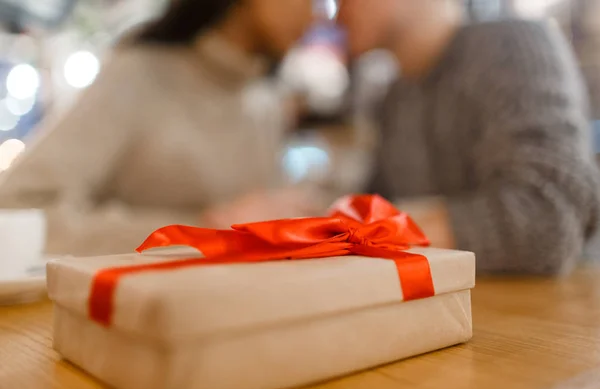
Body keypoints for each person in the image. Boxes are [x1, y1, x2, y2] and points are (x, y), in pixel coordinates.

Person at [0, 0, 318, 256]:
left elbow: (252, 218)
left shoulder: (264, 99)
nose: (314, 16)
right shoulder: (140, 73)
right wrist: (202, 230)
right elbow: (17, 207)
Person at [337, 0, 600, 275]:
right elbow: (377, 206)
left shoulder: (511, 48)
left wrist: (366, 232)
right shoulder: (396, 96)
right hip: (455, 306)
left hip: (552, 310)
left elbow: (551, 216)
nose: (337, 13)